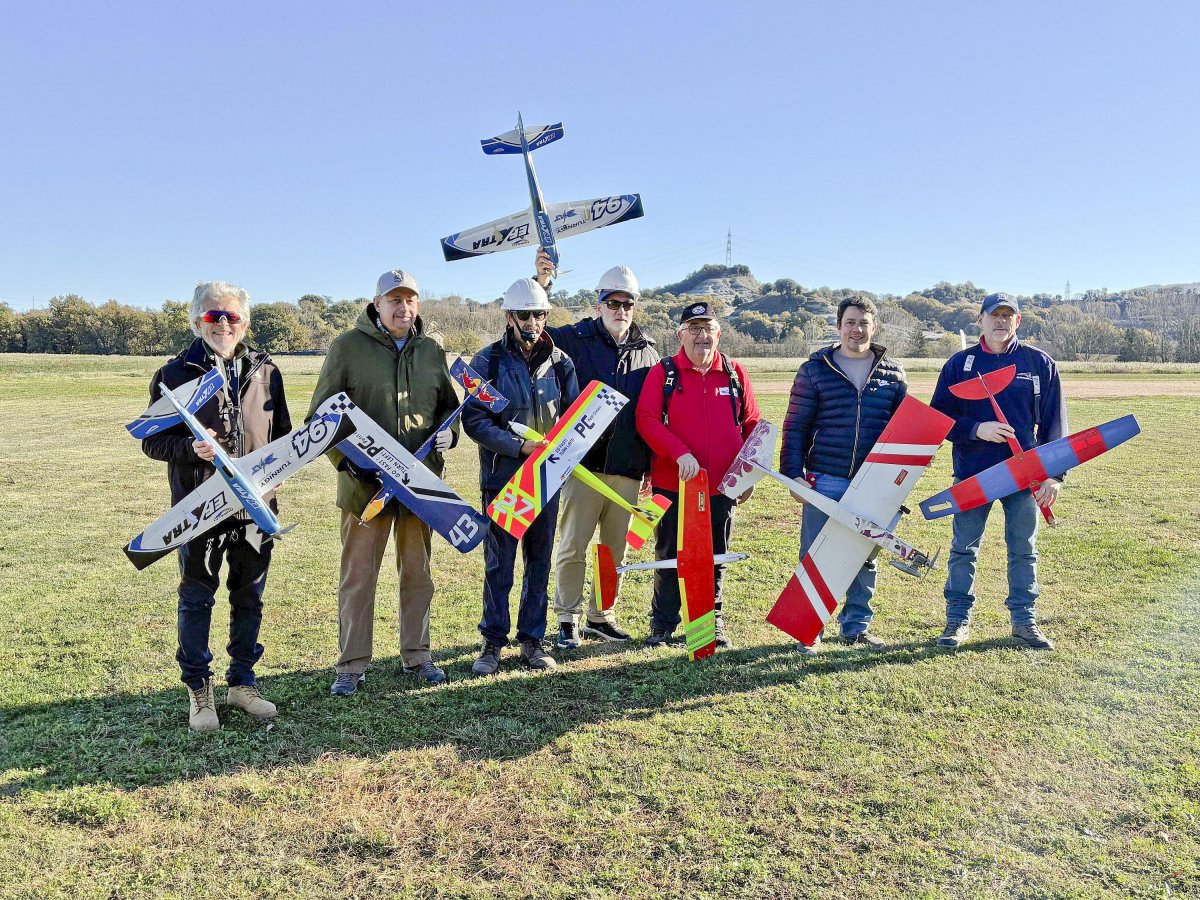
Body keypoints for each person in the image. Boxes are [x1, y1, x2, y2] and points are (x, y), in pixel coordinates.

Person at [142, 281, 289, 730]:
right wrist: (191, 448)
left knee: (249, 596)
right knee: (197, 596)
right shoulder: (174, 375)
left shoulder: (267, 370)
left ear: (244, 321)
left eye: (231, 316)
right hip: (200, 504)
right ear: (196, 321)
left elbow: (281, 435)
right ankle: (198, 689)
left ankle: (242, 682)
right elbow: (151, 440)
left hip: (255, 505)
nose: (223, 324)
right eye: (212, 316)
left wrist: (276, 474)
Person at [308, 269, 463, 696]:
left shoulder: (433, 349)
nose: (403, 308)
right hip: (365, 490)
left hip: (419, 490)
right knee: (359, 577)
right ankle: (351, 665)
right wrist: (349, 463)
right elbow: (320, 420)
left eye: (410, 300)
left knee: (418, 574)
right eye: (394, 300)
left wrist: (452, 434)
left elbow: (449, 411)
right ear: (376, 304)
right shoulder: (347, 348)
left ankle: (418, 656)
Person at [533, 250, 659, 649]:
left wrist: (650, 467)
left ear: (635, 306)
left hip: (627, 467)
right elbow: (536, 325)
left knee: (614, 548)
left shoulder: (650, 352)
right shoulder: (573, 338)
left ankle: (602, 616)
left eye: (627, 303)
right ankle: (567, 619)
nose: (620, 310)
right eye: (612, 302)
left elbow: (655, 413)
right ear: (598, 302)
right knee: (572, 543)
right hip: (581, 465)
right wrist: (542, 283)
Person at [930, 292, 1065, 651]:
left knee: (1023, 549)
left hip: (1025, 476)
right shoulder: (960, 365)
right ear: (981, 320)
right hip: (974, 475)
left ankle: (1024, 622)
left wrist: (1053, 476)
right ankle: (957, 621)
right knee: (964, 549)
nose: (1001, 321)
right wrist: (976, 429)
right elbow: (938, 419)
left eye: (1009, 316)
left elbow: (1053, 426)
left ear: (1017, 321)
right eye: (995, 315)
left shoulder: (1039, 363)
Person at [462, 277, 579, 675]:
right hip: (503, 479)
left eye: (539, 314)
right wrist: (518, 448)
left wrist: (555, 450)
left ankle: (533, 639)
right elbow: (475, 421)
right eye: (524, 314)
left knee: (539, 562)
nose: (532, 321)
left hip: (546, 480)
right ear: (509, 317)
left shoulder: (561, 363)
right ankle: (492, 642)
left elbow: (572, 420)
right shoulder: (487, 361)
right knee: (500, 565)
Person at [779, 295, 908, 652]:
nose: (857, 329)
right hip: (825, 476)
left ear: (874, 327)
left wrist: (902, 476)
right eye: (850, 322)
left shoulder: (893, 374)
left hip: (875, 482)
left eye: (864, 323)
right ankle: (810, 629)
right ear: (838, 326)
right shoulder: (814, 370)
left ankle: (856, 627)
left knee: (866, 554)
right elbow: (796, 426)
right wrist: (793, 473)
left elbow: (903, 430)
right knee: (817, 554)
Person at [635, 300, 760, 649]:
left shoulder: (735, 372)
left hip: (721, 486)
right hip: (670, 483)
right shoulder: (664, 372)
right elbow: (645, 419)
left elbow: (752, 425)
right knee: (669, 553)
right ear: (680, 334)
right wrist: (679, 453)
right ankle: (663, 624)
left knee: (715, 554)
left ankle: (711, 620)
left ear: (718, 334)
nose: (702, 336)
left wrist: (745, 476)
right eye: (694, 329)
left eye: (708, 329)